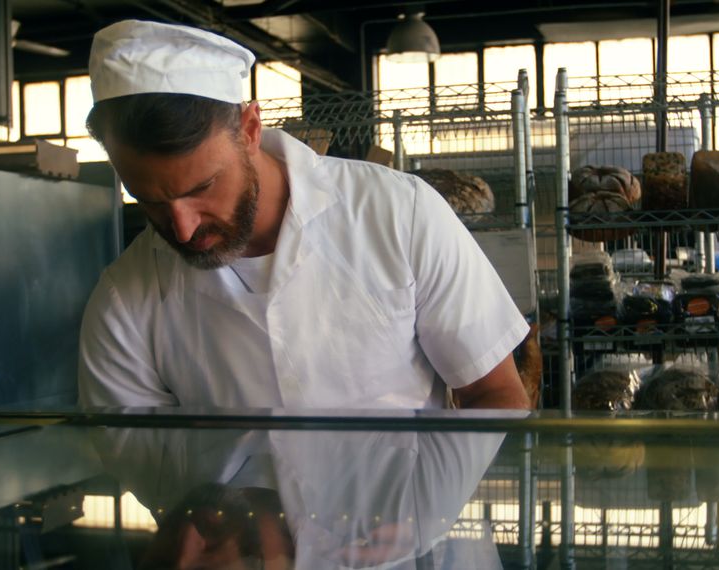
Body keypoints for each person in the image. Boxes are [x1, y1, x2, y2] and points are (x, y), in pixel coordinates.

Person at [78, 19, 530, 410]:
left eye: (202, 188)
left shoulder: (399, 213)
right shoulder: (126, 298)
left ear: (250, 129)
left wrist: (423, 506)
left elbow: (495, 394)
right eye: (150, 199)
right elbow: (136, 456)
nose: (182, 226)